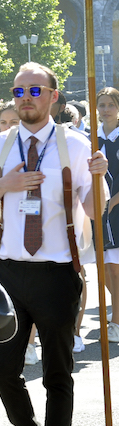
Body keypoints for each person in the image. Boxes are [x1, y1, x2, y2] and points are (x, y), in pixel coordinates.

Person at [0, 62, 106, 426]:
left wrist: (98, 176)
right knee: (3, 371)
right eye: (18, 92)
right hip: (8, 271)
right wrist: (4, 184)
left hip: (56, 272)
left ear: (54, 95)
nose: (26, 98)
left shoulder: (75, 145)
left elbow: (95, 212)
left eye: (35, 90)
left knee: (58, 372)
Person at [97, 87, 119, 345]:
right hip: (97, 213)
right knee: (104, 270)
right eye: (101, 105)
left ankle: (115, 323)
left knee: (114, 270)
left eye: (110, 105)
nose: (105, 110)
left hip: (115, 212)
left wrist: (112, 201)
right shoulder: (90, 138)